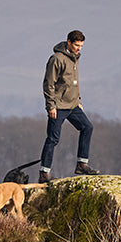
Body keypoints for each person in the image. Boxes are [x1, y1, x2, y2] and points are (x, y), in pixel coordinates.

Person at [38, 29, 99, 183]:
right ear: (69, 42)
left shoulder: (75, 58)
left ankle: (82, 164)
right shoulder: (56, 59)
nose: (79, 48)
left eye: (81, 46)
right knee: (53, 139)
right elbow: (48, 84)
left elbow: (73, 82)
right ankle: (44, 174)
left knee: (87, 127)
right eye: (77, 45)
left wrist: (78, 100)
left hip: (72, 105)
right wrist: (50, 106)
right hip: (58, 106)